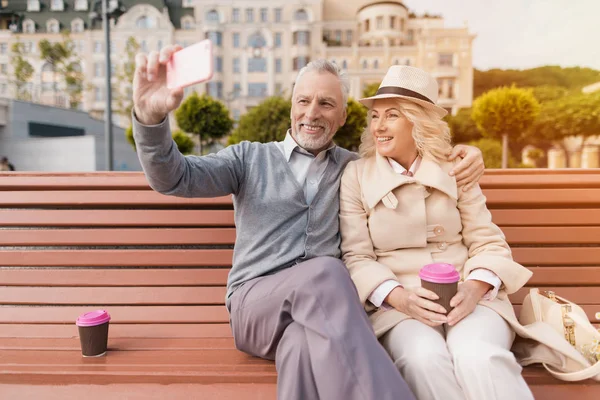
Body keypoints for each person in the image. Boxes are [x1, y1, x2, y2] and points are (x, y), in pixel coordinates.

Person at [132, 44, 485, 399]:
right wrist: (150, 121)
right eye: (303, 101)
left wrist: (464, 155)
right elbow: (175, 177)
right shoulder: (249, 159)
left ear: (344, 116)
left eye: (326, 104)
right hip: (256, 308)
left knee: (300, 348)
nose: (312, 113)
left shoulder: (356, 170)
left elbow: (412, 160)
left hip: (324, 315)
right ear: (291, 108)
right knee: (327, 272)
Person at [339, 65, 534, 400]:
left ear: (420, 120)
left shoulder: (456, 167)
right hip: (398, 306)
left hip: (471, 297)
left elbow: (487, 241)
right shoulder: (356, 176)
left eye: (392, 115)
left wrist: (474, 289)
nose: (378, 126)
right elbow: (356, 257)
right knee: (422, 359)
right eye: (375, 116)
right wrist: (400, 297)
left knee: (478, 356)